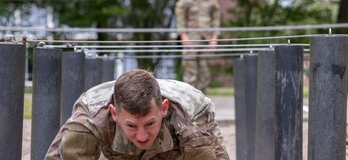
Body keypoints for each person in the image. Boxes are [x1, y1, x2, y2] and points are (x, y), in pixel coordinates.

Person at [44, 69, 229, 160]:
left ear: (163, 108)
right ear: (114, 114)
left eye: (149, 123)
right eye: (132, 125)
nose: (142, 136)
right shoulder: (90, 119)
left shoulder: (190, 117)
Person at [175, 0, 221, 93]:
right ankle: (189, 102)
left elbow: (216, 21)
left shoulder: (212, 1)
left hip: (206, 40)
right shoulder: (185, 1)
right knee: (190, 73)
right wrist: (183, 36)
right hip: (191, 40)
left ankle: (201, 102)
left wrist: (214, 38)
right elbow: (180, 19)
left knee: (205, 74)